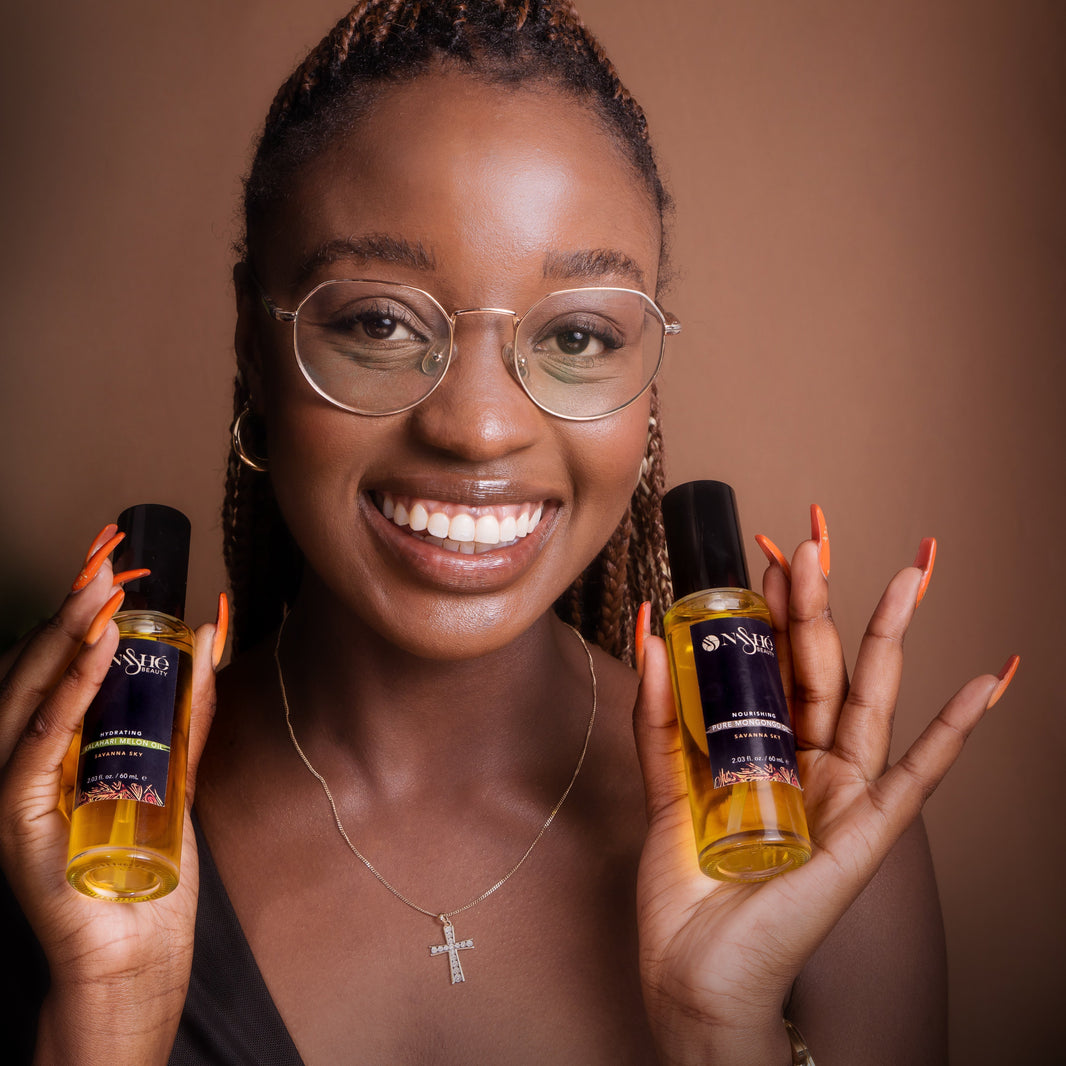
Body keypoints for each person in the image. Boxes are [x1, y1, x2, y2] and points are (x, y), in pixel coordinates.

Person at [0, 2, 1018, 1062]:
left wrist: (725, 1030)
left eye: (578, 333)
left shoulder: (814, 846)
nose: (479, 426)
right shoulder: (57, 833)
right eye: (381, 322)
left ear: (646, 380)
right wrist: (106, 1020)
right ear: (254, 345)